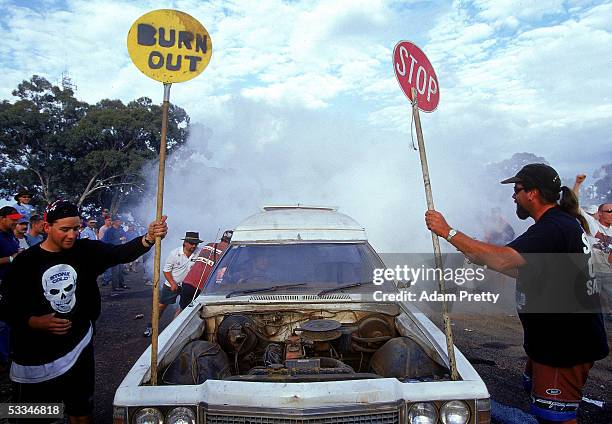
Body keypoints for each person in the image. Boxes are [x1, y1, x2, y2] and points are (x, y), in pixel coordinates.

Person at [424, 163, 608, 424]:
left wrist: (447, 231)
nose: (513, 196)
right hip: (559, 340)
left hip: (564, 345)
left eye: (517, 189)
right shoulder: (560, 224)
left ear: (532, 193)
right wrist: (481, 257)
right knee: (541, 405)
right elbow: (529, 271)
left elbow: (503, 260)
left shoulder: (551, 228)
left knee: (555, 419)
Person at [0, 200, 167, 423]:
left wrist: (147, 239)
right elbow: (7, 307)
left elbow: (121, 254)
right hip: (33, 356)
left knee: (80, 409)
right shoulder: (25, 262)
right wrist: (34, 322)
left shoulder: (86, 251)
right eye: (65, 229)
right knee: (33, 414)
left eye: (76, 229)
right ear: (47, 227)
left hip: (78, 346)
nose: (71, 235)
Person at [144, 232, 201, 337]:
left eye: (196, 243)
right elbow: (166, 270)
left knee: (183, 308)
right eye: (192, 243)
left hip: (188, 286)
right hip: (171, 284)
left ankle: (173, 331)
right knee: (161, 306)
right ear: (185, 243)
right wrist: (172, 282)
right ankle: (151, 326)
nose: (194, 246)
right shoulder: (174, 253)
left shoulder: (199, 253)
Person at [573, 174, 612, 318]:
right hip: (592, 271)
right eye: (609, 211)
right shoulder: (591, 225)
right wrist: (577, 184)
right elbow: (575, 205)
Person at [180, 230, 233, 311]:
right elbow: (221, 275)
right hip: (202, 289)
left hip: (187, 283)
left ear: (222, 239)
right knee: (197, 314)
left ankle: (175, 323)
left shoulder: (208, 245)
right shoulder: (229, 252)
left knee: (183, 311)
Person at [0, 206, 23, 367]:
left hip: (12, 284)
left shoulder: (10, 235)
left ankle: (11, 352)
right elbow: (10, 258)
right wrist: (12, 258)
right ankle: (3, 359)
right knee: (3, 325)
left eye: (17, 219)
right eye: (12, 219)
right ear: (2, 218)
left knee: (13, 321)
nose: (16, 222)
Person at [102, 216, 128, 292]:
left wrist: (124, 238)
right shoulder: (109, 231)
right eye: (118, 221)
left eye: (120, 221)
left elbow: (125, 235)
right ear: (114, 222)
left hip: (120, 251)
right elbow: (107, 242)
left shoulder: (121, 229)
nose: (120, 222)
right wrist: (119, 239)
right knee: (115, 270)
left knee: (121, 269)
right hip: (113, 252)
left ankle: (122, 284)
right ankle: (115, 286)